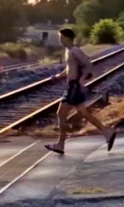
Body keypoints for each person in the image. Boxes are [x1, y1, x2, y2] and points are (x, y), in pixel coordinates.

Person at [45, 28, 117, 156]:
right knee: (83, 112)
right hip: (72, 86)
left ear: (67, 38)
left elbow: (88, 64)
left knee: (61, 114)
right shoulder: (68, 51)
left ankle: (61, 145)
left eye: (61, 38)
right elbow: (70, 68)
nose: (59, 40)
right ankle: (107, 132)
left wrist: (82, 80)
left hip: (74, 86)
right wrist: (59, 76)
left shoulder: (75, 51)